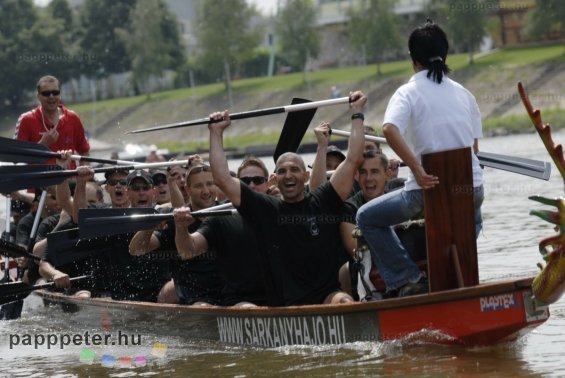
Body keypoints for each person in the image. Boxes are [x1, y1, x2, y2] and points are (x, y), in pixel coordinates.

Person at [356, 21, 485, 298]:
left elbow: (389, 129)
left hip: (425, 192)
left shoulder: (408, 92)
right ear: (445, 55)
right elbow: (473, 149)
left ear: (414, 60)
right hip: (471, 189)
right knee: (473, 219)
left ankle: (409, 278)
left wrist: (416, 168)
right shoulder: (465, 94)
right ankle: (455, 275)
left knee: (366, 217)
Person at [204, 90, 366, 306]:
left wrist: (357, 113)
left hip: (327, 297)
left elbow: (354, 157)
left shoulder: (324, 200)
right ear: (275, 179)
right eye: (282, 171)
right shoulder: (265, 208)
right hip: (285, 306)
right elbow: (222, 179)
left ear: (306, 175)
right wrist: (216, 133)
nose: (288, 175)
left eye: (294, 170)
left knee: (344, 301)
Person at [172, 156, 278, 307]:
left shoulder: (282, 210)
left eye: (258, 181)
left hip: (279, 296)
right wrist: (181, 227)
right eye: (246, 182)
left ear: (267, 183)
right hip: (242, 302)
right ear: (237, 185)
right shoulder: (221, 218)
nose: (252, 186)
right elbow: (187, 251)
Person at [129, 163, 224, 305]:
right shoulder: (176, 217)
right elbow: (136, 250)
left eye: (209, 184)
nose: (205, 191)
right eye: (198, 186)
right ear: (188, 189)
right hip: (195, 298)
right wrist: (150, 227)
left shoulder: (228, 213)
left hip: (227, 293)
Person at [14, 75, 90, 168]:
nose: (51, 96)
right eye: (46, 93)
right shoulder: (26, 119)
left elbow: (84, 151)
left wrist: (83, 173)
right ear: (38, 96)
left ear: (60, 94)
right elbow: (16, 159)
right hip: (39, 181)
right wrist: (42, 145)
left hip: (69, 180)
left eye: (55, 92)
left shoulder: (73, 117)